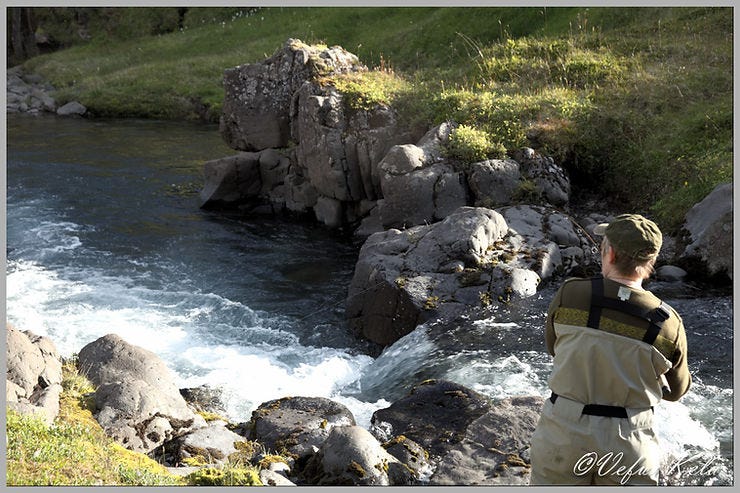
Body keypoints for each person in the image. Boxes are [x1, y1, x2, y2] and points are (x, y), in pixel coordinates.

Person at [529, 213, 691, 485]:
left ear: (611, 254)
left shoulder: (571, 294)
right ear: (650, 262)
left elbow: (553, 347)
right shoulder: (669, 323)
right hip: (630, 442)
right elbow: (677, 392)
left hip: (563, 434)